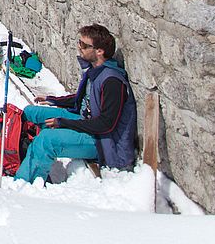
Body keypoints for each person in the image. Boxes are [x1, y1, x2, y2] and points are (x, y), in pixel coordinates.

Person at [14, 23, 138, 184]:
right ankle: (15, 155)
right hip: (84, 121)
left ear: (99, 51)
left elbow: (106, 125)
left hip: (102, 142)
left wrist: (64, 123)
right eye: (79, 43)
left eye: (84, 45)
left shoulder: (112, 81)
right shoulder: (95, 71)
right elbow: (85, 98)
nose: (79, 48)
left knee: (46, 140)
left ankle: (23, 185)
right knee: (31, 112)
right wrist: (53, 100)